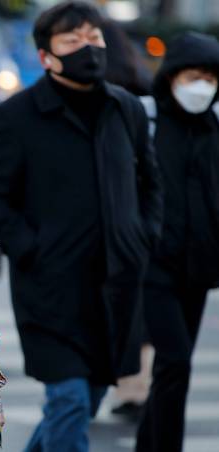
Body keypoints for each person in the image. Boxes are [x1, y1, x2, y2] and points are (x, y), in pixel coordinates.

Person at [0, 2, 163, 451]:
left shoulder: (126, 110)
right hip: (51, 291)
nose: (88, 48)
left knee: (86, 398)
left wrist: (142, 236)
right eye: (72, 40)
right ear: (46, 56)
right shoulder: (18, 116)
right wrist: (32, 248)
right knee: (71, 399)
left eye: (93, 37)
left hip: (115, 287)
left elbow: (151, 182)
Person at [136, 32, 219, 452]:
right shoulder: (147, 122)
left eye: (209, 77)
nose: (201, 85)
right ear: (171, 76)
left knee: (173, 368)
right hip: (154, 265)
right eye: (192, 75)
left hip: (200, 266)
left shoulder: (214, 126)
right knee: (177, 361)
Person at [101, 18, 154, 421]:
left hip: (112, 215)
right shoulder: (147, 95)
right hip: (141, 218)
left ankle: (127, 387)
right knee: (140, 303)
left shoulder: (107, 101)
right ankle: (137, 386)